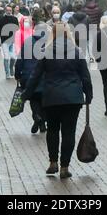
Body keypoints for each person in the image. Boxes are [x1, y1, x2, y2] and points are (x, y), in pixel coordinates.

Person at [21, 23, 93, 179]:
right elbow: (86, 77)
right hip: (73, 99)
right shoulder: (77, 52)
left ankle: (53, 162)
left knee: (52, 130)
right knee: (69, 132)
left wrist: (26, 94)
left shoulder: (46, 52)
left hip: (52, 97)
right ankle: (64, 167)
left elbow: (35, 76)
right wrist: (89, 95)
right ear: (68, 34)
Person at [15, 9, 48, 134]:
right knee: (43, 100)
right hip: (45, 77)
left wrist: (18, 74)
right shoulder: (49, 43)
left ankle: (36, 117)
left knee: (33, 99)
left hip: (29, 77)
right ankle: (42, 121)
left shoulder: (28, 42)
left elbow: (20, 60)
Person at [0, 6, 20, 79]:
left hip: (13, 41)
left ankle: (11, 69)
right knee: (6, 57)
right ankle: (7, 73)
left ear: (12, 11)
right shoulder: (2, 19)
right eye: (7, 10)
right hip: (4, 41)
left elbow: (17, 29)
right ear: (5, 10)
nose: (9, 11)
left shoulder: (15, 19)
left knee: (13, 57)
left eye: (10, 10)